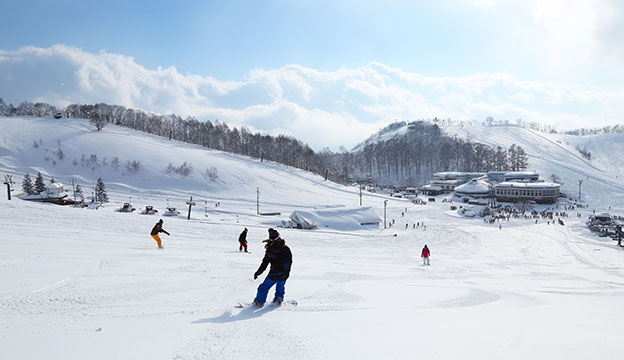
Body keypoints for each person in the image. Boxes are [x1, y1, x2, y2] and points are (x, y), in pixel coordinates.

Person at [253, 228, 292, 306]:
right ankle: (278, 300)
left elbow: (265, 263)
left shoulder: (270, 250)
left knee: (264, 287)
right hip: (284, 273)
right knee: (280, 287)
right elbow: (289, 261)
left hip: (274, 273)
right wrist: (286, 273)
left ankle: (259, 301)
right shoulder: (286, 248)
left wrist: (258, 272)